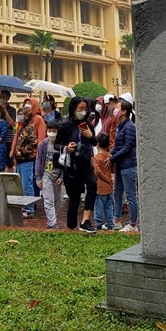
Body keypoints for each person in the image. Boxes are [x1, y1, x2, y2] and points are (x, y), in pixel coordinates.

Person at [60, 96, 98, 232]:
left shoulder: (88, 124)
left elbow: (94, 142)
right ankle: (71, 226)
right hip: (72, 165)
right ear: (73, 108)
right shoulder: (66, 125)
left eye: (85, 109)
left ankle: (85, 220)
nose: (83, 111)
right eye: (80, 108)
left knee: (93, 185)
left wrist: (90, 135)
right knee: (74, 198)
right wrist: (66, 147)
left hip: (86, 163)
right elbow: (56, 144)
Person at [11, 97, 46, 218]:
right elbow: (16, 138)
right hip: (20, 159)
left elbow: (37, 141)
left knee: (28, 183)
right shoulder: (22, 125)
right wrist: (13, 150)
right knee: (22, 183)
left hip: (29, 158)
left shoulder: (36, 121)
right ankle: (25, 205)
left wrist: (25, 152)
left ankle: (29, 208)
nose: (20, 116)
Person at [110, 98, 138, 232]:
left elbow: (127, 147)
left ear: (124, 111)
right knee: (117, 193)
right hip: (121, 165)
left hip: (129, 166)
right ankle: (116, 220)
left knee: (131, 196)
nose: (115, 109)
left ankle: (132, 224)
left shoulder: (130, 127)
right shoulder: (120, 126)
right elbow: (117, 146)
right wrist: (108, 155)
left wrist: (112, 158)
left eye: (118, 107)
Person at [35, 119, 65, 229]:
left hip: (57, 176)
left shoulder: (62, 145)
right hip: (46, 175)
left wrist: (62, 176)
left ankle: (53, 218)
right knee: (48, 200)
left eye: (54, 131)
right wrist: (38, 178)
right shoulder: (43, 145)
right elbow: (39, 161)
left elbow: (65, 161)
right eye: (49, 131)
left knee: (57, 200)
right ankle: (52, 223)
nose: (51, 133)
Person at [93, 133, 114, 230]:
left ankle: (98, 224)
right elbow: (114, 169)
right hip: (109, 186)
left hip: (100, 186)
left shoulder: (96, 157)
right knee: (109, 206)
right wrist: (109, 179)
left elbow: (97, 171)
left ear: (98, 144)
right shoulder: (110, 156)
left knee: (99, 206)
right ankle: (110, 224)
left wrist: (106, 178)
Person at [0, 90, 17, 171]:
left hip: (8, 139)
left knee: (9, 162)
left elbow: (12, 123)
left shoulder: (12, 109)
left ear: (8, 98)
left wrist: (5, 110)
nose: (1, 98)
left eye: (4, 97)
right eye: (0, 96)